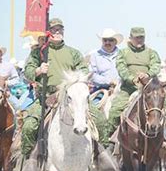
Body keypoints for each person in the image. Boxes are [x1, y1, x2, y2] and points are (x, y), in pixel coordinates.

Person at [21, 18, 107, 157]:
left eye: (60, 29)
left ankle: (100, 155)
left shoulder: (73, 52)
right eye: (54, 29)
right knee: (29, 126)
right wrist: (38, 70)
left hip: (71, 97)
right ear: (48, 32)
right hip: (46, 98)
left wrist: (75, 79)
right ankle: (30, 159)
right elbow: (28, 72)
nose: (58, 32)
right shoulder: (39, 52)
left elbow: (84, 70)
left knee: (100, 120)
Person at [105, 27, 161, 141]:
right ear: (131, 38)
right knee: (115, 111)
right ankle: (110, 140)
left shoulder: (151, 53)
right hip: (128, 89)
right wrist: (133, 79)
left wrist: (148, 74)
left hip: (149, 88)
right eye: (137, 38)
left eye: (141, 37)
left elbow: (156, 66)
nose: (139, 40)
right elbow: (121, 69)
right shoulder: (123, 53)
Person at [89, 28, 123, 93]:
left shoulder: (122, 55)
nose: (107, 42)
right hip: (101, 90)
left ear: (115, 42)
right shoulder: (95, 56)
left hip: (121, 89)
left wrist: (117, 82)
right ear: (102, 41)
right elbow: (92, 75)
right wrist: (109, 81)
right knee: (95, 103)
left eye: (110, 40)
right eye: (105, 40)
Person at [0, 43, 21, 109]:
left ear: (1, 54)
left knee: (18, 107)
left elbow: (17, 79)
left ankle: (18, 118)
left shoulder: (9, 65)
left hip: (7, 94)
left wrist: (7, 83)